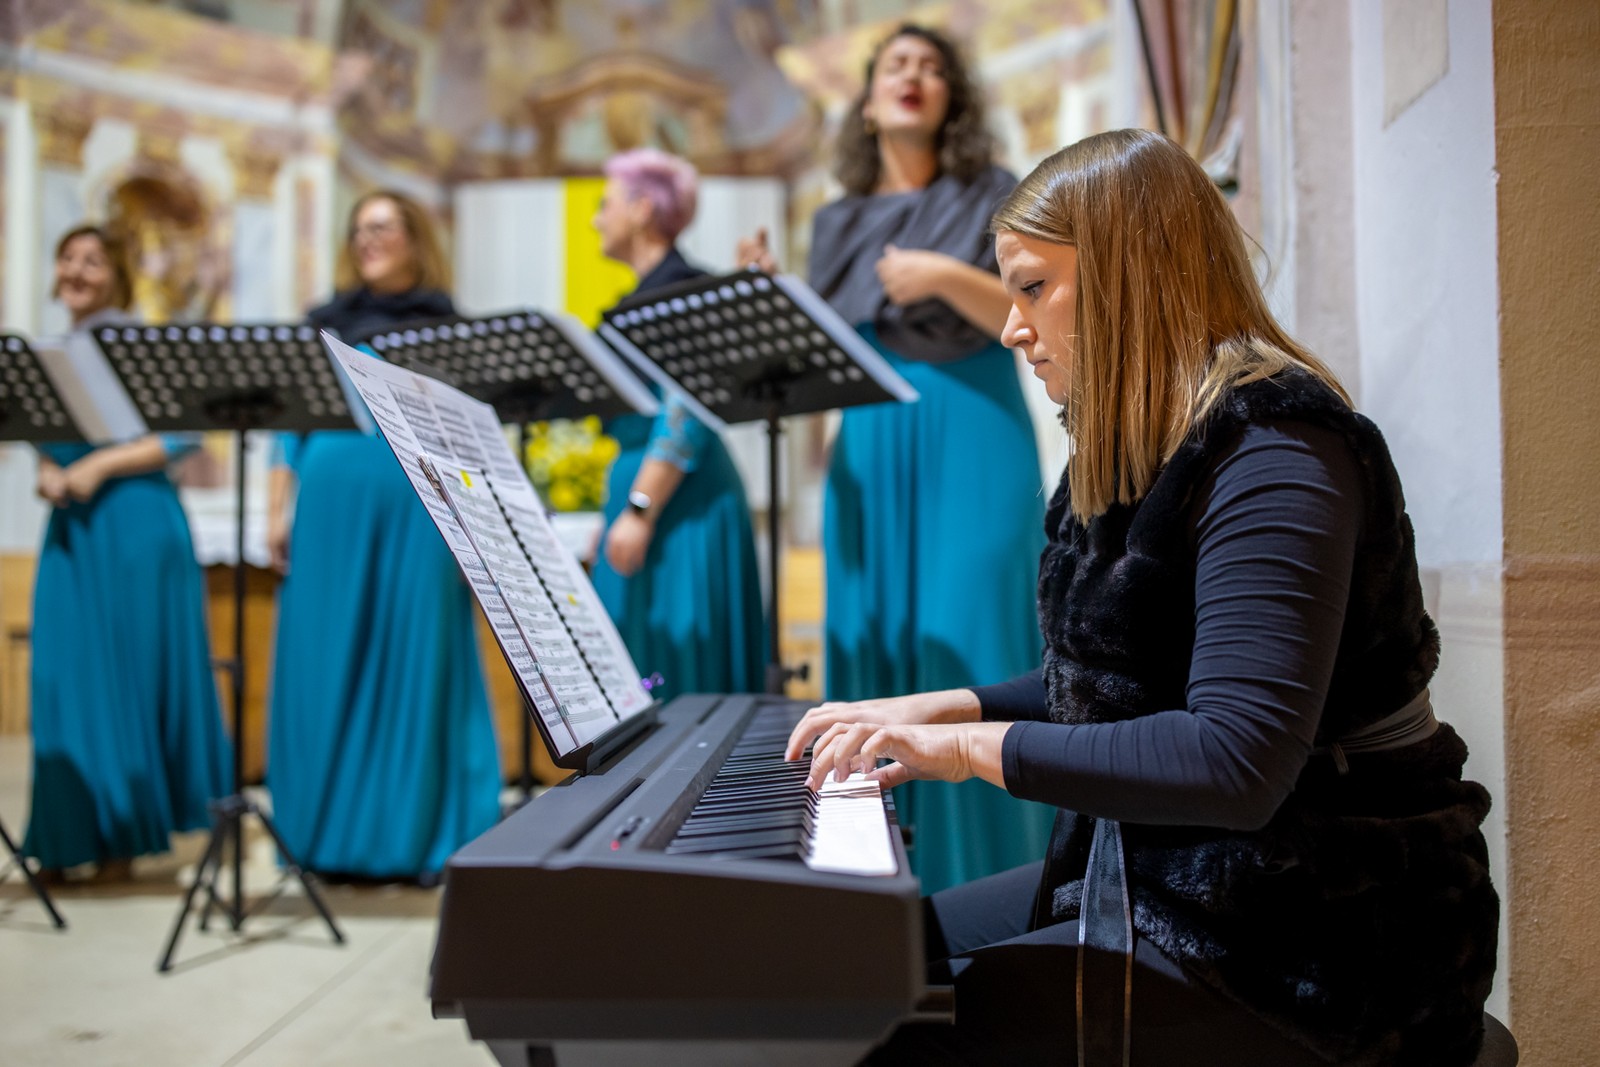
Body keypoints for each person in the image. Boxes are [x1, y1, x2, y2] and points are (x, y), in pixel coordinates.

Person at [787, 129, 1499, 1065]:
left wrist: (962, 748)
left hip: (1323, 934)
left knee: (894, 1029)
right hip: (1180, 879)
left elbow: (1235, 759)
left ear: (1130, 274)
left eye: (1034, 287)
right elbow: (1115, 683)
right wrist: (936, 706)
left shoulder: (1278, 452)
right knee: (862, 965)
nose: (1010, 326)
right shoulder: (1134, 451)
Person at [737, 24, 1052, 893]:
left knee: (972, 636)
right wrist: (773, 301)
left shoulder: (995, 193)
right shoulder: (836, 222)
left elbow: (1040, 314)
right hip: (870, 441)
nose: (914, 77)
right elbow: (818, 362)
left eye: (932, 67)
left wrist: (944, 276)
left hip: (974, 424)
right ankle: (882, 887)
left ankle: (1006, 886)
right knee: (875, 642)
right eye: (895, 67)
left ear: (952, 96)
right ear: (868, 101)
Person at [266, 190, 499, 882]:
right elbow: (287, 430)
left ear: (414, 237)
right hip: (328, 511)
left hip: (416, 512)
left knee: (415, 656)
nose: (367, 239)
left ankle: (407, 836)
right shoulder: (322, 324)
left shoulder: (445, 327)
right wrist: (277, 507)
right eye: (359, 228)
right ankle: (322, 836)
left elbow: (467, 437)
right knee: (323, 657)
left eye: (382, 227)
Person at [24, 224, 230, 882]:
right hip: (72, 526)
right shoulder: (45, 350)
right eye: (68, 256)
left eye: (93, 259)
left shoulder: (142, 343)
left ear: (116, 273)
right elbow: (39, 435)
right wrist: (46, 472)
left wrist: (102, 465)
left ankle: (121, 834)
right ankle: (67, 835)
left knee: (127, 677)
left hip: (136, 520)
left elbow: (184, 435)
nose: (78, 270)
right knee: (63, 676)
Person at [589, 148, 765, 700]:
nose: (596, 218)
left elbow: (685, 411)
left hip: (679, 497)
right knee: (641, 666)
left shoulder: (683, 291)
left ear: (642, 208)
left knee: (680, 670)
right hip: (647, 489)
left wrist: (639, 510)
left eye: (605, 204)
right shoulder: (639, 298)